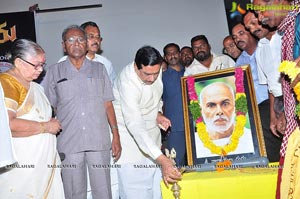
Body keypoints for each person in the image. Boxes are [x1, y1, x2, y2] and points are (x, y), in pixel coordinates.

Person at [43, 25, 121, 199]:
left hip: (98, 141)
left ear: (86, 44)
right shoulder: (54, 71)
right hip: (69, 143)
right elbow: (50, 106)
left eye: (80, 39)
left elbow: (108, 104)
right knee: (73, 192)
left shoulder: (99, 69)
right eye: (71, 40)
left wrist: (116, 135)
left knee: (103, 191)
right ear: (63, 46)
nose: (76, 43)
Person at [113, 45, 182, 199]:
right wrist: (163, 159)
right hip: (129, 139)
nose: (152, 79)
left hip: (152, 137)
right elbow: (135, 125)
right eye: (147, 74)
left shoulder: (156, 72)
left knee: (157, 190)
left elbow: (155, 97)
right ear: (136, 66)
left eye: (155, 74)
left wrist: (157, 113)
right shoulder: (127, 81)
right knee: (136, 190)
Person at [0, 39, 65, 198]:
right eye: (36, 65)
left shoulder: (36, 87)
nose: (41, 70)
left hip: (42, 164)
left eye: (43, 64)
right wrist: (45, 127)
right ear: (19, 62)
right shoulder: (7, 83)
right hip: (22, 167)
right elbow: (8, 125)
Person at [252, 0, 300, 198]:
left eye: (262, 9)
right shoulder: (289, 26)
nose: (260, 17)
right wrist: (282, 114)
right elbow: (282, 83)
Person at [232, 23, 282, 162]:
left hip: (273, 103)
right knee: (265, 147)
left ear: (251, 33)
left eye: (241, 34)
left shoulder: (264, 48)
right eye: (235, 37)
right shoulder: (239, 62)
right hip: (253, 110)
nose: (238, 39)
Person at [243, 10, 283, 137]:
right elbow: (270, 87)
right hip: (280, 105)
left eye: (254, 23)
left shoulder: (284, 37)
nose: (253, 29)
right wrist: (273, 117)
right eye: (249, 28)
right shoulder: (260, 49)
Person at [195, 81, 254, 158]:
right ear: (200, 110)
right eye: (211, 105)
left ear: (236, 106)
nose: (219, 111)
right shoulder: (194, 143)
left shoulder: (250, 138)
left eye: (225, 104)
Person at [162, 43, 186, 166]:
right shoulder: (161, 78)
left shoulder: (190, 72)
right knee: (176, 164)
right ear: (165, 58)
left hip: (196, 126)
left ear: (180, 54)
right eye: (169, 54)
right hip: (174, 127)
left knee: (201, 163)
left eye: (175, 52)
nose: (172, 55)